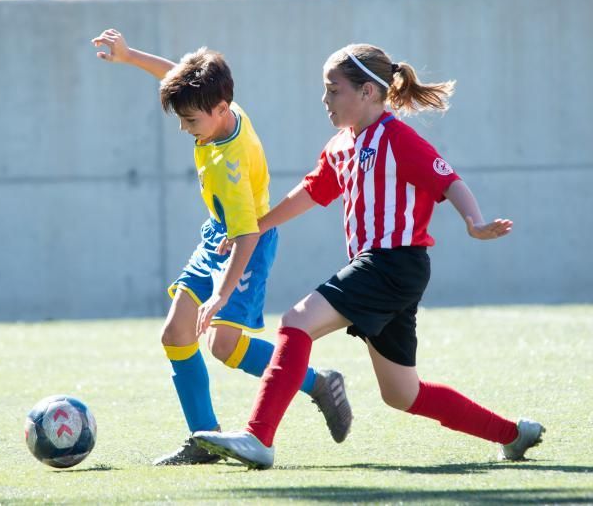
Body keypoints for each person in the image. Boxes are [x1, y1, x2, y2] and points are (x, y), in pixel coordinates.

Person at [193, 43, 545, 469]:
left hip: (394, 262)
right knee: (402, 393)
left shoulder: (398, 138)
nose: (325, 100)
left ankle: (258, 438)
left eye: (333, 90)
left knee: (296, 321)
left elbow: (449, 181)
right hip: (385, 268)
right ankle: (513, 434)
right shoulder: (342, 145)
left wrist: (474, 221)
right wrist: (257, 226)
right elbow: (309, 192)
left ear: (367, 92)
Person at [91, 29, 354, 465]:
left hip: (246, 243)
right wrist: (130, 55)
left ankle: (318, 383)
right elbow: (176, 74)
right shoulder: (219, 109)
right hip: (218, 234)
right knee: (176, 333)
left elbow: (248, 234)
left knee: (224, 347)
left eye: (190, 121)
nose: (183, 128)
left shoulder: (228, 162)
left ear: (219, 109)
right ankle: (204, 437)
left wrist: (221, 294)